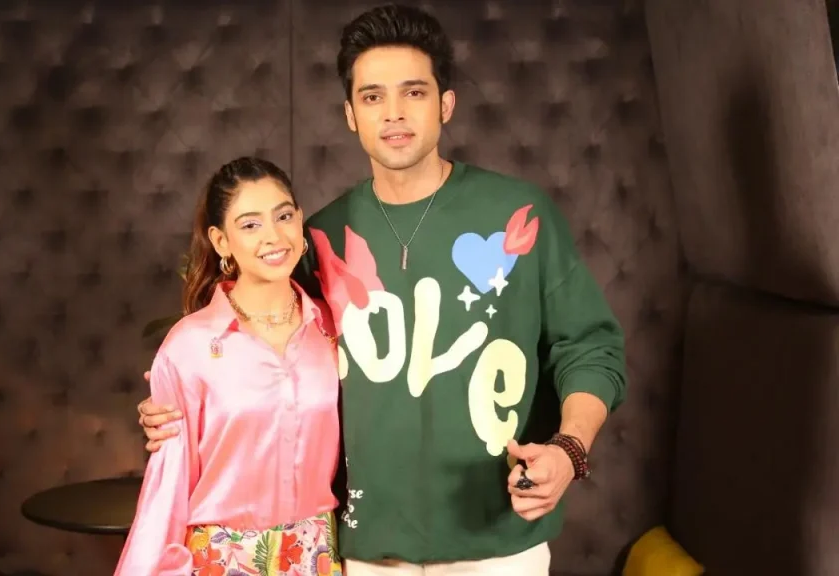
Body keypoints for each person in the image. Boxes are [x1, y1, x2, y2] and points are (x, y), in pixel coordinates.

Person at [136, 4, 627, 575]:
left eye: (414, 92)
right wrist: (178, 402)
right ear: (350, 114)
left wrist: (569, 449)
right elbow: (269, 353)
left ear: (446, 104)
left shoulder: (520, 214)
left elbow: (591, 346)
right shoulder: (319, 238)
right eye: (372, 96)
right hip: (368, 549)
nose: (393, 113)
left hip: (501, 540)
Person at [115, 156, 344, 576]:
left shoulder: (332, 327)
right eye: (250, 224)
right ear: (221, 241)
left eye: (283, 216)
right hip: (222, 561)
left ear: (300, 221)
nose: (274, 236)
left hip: (316, 556)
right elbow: (167, 490)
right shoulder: (189, 346)